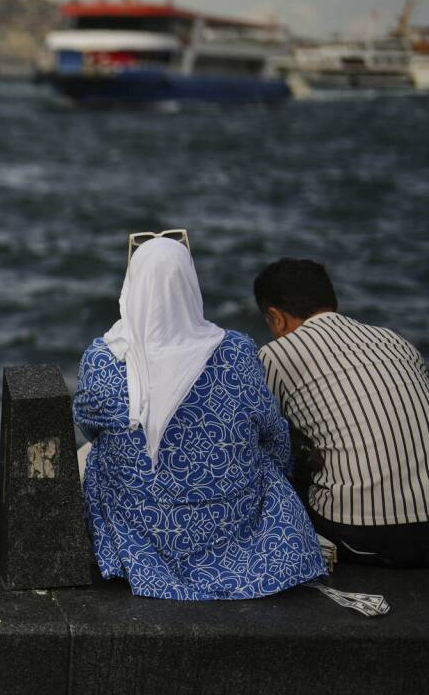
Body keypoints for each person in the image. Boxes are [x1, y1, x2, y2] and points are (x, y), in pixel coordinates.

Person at [74, 237, 326, 600]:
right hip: (235, 527)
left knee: (98, 455)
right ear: (190, 285)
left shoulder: (103, 358)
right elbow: (273, 434)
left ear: (132, 286)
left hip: (143, 528)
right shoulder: (237, 350)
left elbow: (88, 424)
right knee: (265, 457)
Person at [255, 257, 429, 567]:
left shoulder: (276, 355)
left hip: (362, 534)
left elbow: (258, 437)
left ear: (275, 318)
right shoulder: (397, 341)